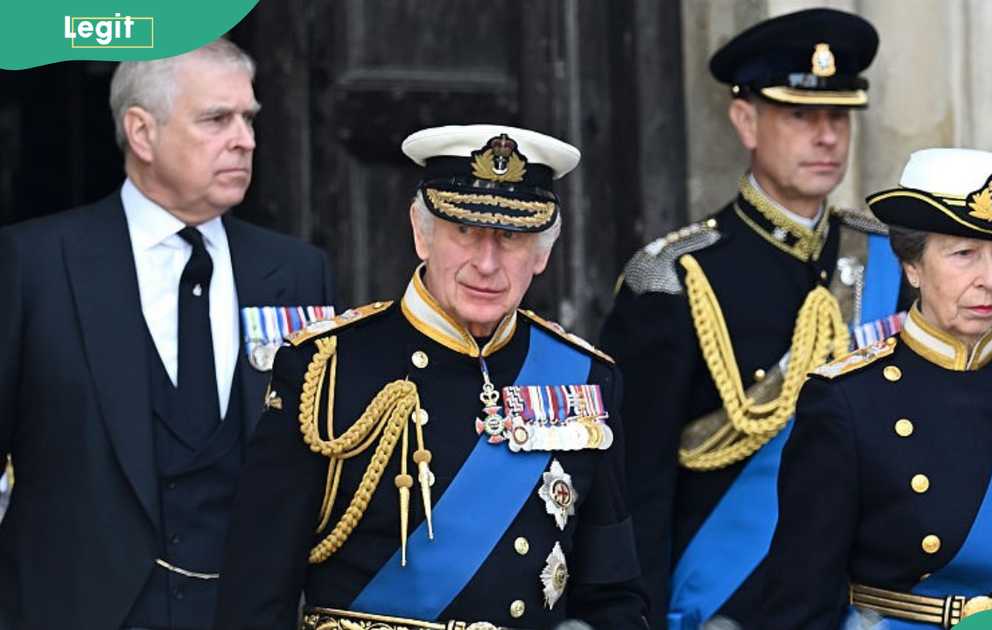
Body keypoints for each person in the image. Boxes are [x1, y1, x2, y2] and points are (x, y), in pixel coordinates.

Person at [213, 124, 648, 630]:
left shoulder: (586, 377)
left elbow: (612, 594)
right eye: (465, 232)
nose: (487, 264)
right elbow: (255, 595)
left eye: (510, 238)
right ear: (422, 234)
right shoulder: (326, 367)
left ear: (543, 254)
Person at [0, 39, 336, 629]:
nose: (245, 139)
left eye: (249, 119)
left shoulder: (298, 273)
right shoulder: (35, 264)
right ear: (141, 132)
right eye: (216, 119)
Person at [600, 8, 904, 629]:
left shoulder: (892, 262)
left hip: (859, 604)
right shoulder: (676, 278)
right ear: (745, 120)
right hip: (729, 609)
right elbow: (637, 485)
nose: (826, 137)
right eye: (800, 115)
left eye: (838, 116)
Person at [762, 148, 992, 629]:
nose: (989, 280)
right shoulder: (847, 398)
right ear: (913, 266)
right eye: (964, 254)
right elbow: (801, 599)